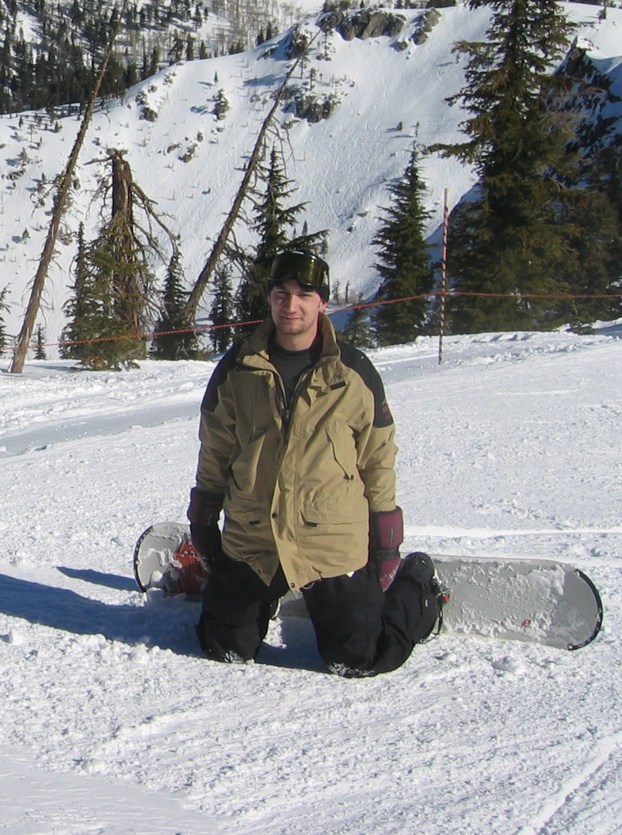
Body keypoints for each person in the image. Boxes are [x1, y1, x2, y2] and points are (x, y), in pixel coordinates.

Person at [187, 248, 442, 675]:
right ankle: (240, 594)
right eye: (282, 294)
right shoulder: (237, 368)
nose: (291, 305)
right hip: (256, 537)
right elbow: (215, 450)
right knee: (224, 647)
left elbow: (378, 460)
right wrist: (203, 518)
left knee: (358, 658)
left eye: (304, 295)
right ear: (269, 300)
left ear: (323, 303)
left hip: (330, 543)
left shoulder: (354, 373)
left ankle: (418, 586)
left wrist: (387, 542)